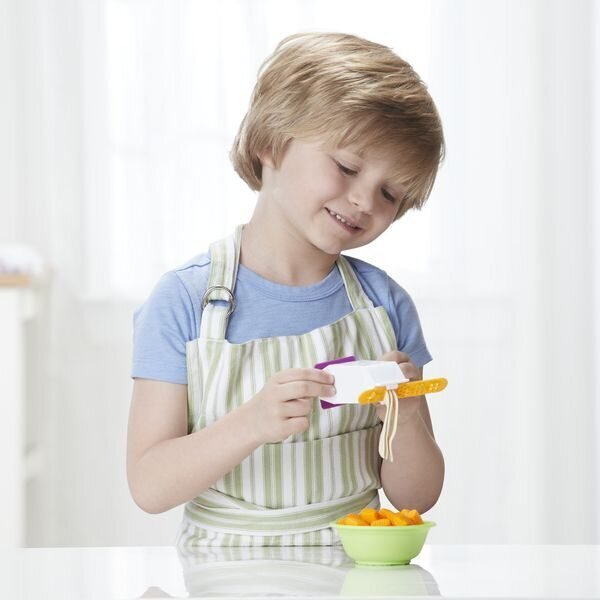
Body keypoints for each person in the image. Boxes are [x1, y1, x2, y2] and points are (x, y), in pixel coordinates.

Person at [127, 31, 445, 549]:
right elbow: (148, 484)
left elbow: (418, 497)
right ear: (270, 141)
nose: (365, 201)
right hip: (224, 575)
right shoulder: (185, 301)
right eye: (347, 167)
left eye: (390, 193)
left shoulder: (385, 306)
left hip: (353, 575)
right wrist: (249, 424)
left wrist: (404, 421)